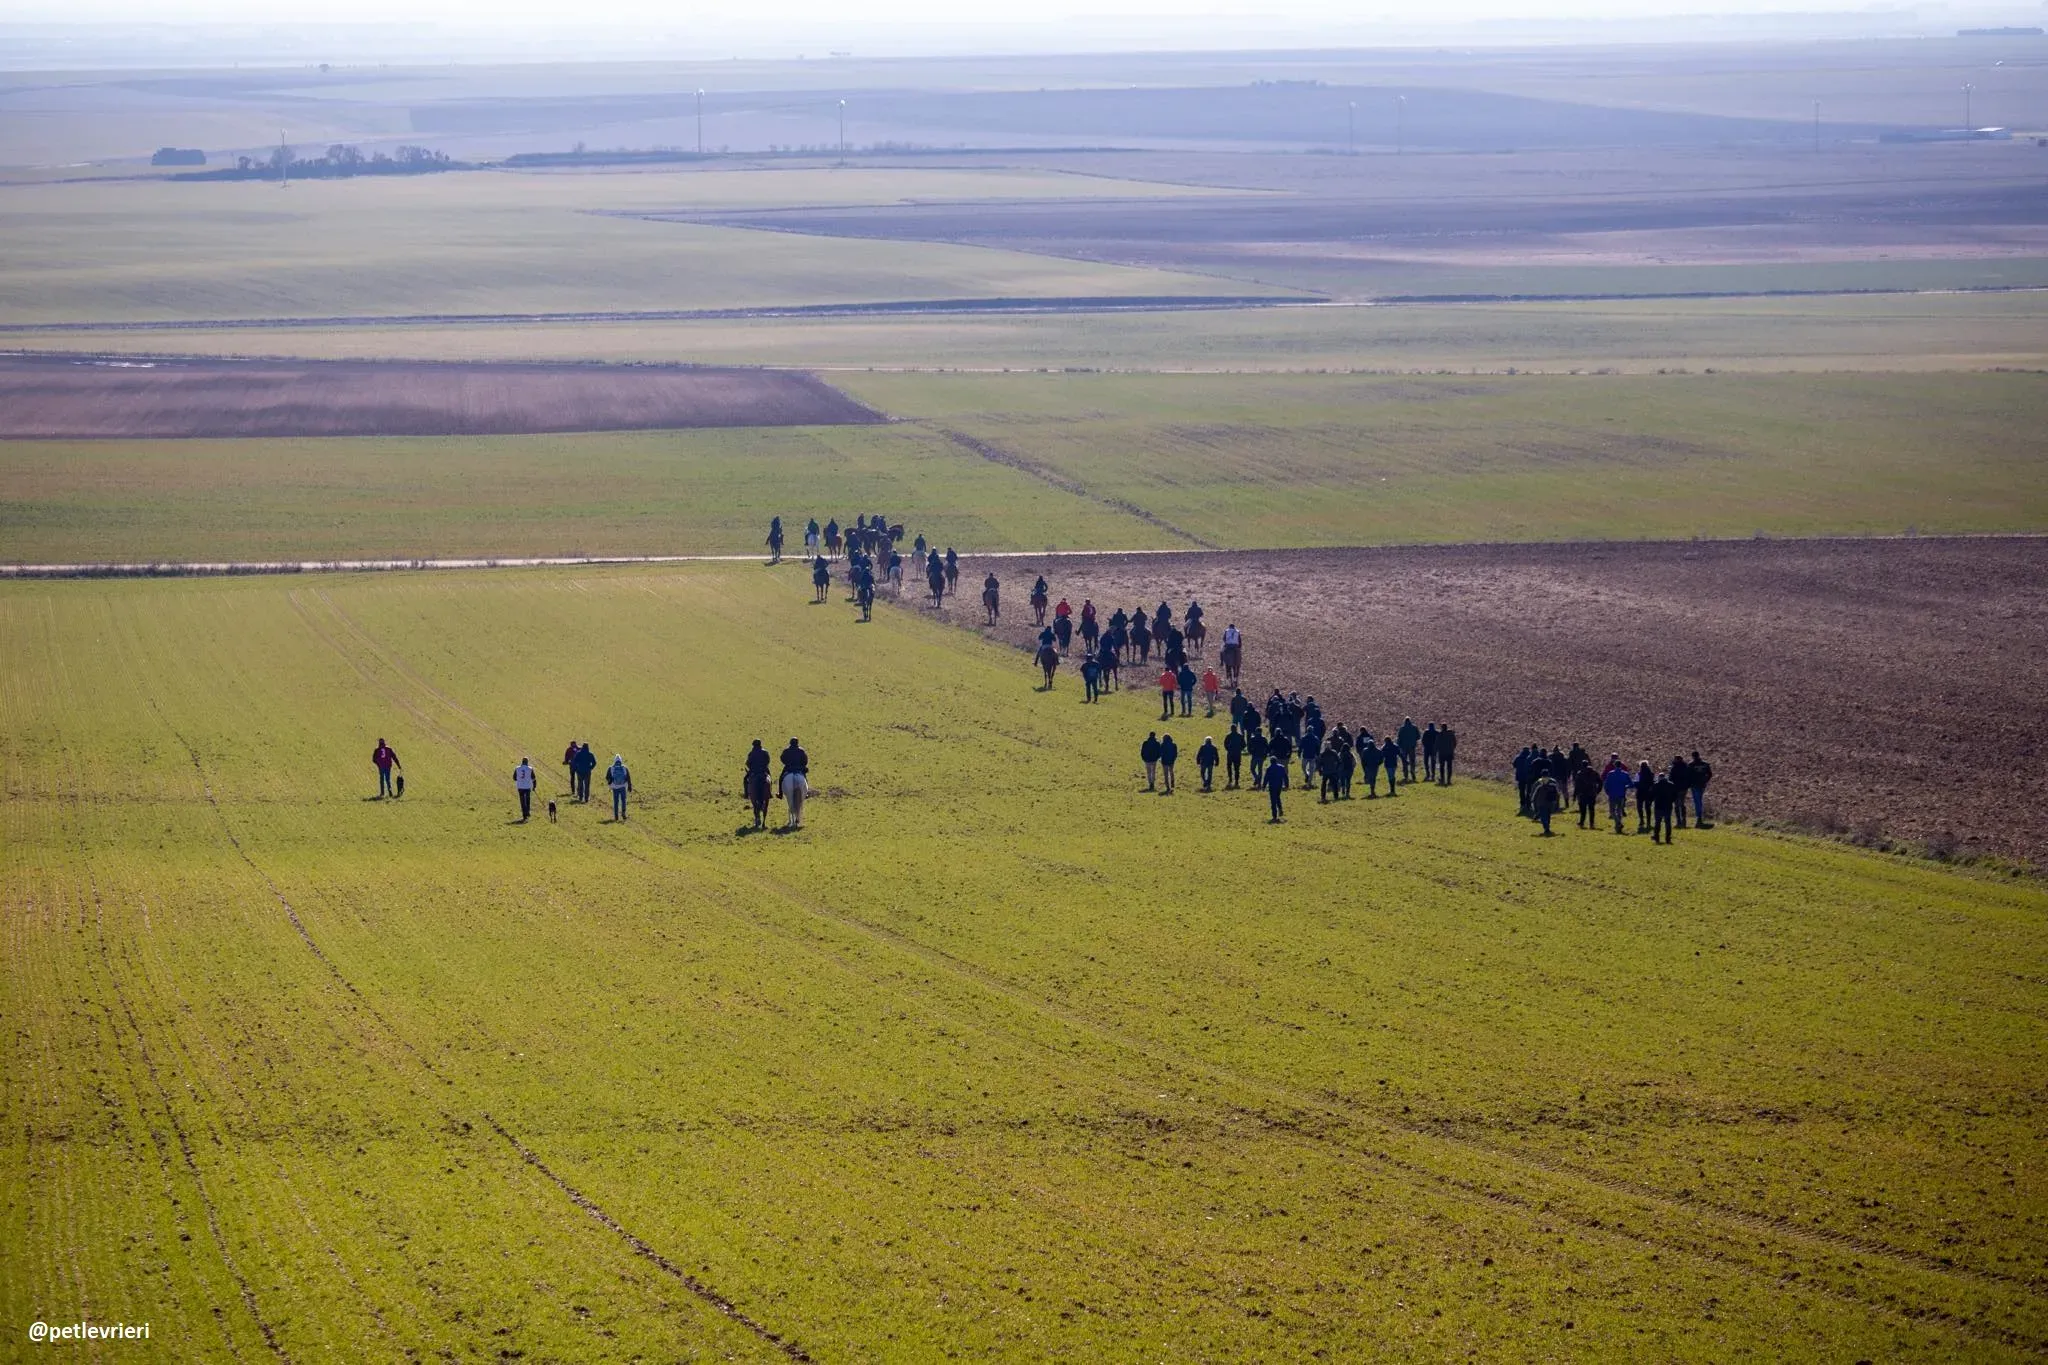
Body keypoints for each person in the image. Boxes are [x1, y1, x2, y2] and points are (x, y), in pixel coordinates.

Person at [744, 740, 772, 829]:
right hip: (763, 771)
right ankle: (770, 793)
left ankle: (746, 793)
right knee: (769, 780)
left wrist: (752, 768)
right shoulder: (765, 752)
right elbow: (768, 761)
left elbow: (748, 763)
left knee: (745, 779)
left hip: (754, 772)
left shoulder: (751, 753)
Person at [1603, 756, 1633, 834]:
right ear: (1621, 765)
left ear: (1615, 765)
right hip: (1621, 795)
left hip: (1612, 795)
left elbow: (1606, 784)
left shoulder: (1610, 774)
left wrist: (1607, 792)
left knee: (1612, 811)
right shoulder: (1625, 774)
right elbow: (1631, 784)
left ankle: (1618, 823)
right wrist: (1625, 787)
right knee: (1619, 811)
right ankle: (1618, 826)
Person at [1650, 768, 1678, 843]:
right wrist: (1671, 801)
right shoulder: (1671, 785)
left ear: (1659, 778)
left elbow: (1652, 795)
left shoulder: (1656, 785)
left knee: (1657, 822)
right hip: (1668, 806)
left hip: (1658, 806)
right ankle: (1668, 838)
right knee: (1667, 823)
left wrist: (1652, 801)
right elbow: (1675, 795)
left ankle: (1656, 837)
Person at [1688, 750, 1713, 827]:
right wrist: (1705, 780)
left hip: (1694, 785)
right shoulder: (1705, 764)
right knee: (1699, 800)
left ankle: (1699, 818)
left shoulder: (1691, 764)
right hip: (1702, 785)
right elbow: (1710, 774)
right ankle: (1699, 818)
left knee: (1697, 801)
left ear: (1692, 756)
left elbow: (1688, 775)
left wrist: (1690, 783)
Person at [1262, 753, 1289, 822]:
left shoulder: (1269, 769)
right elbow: (1285, 777)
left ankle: (1274, 816)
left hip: (1272, 786)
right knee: (1278, 797)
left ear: (1270, 762)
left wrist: (1263, 786)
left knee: (1273, 801)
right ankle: (1280, 809)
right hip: (1279, 786)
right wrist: (1286, 785)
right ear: (1276, 761)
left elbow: (1266, 778)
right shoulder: (1281, 767)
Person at [1669, 753, 1693, 829]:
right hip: (1683, 789)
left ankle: (1678, 821)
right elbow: (1689, 778)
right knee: (1682, 804)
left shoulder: (1674, 768)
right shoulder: (1686, 767)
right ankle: (1684, 821)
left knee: (1676, 805)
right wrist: (1687, 786)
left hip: (1675, 789)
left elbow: (1670, 778)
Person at [606, 753, 633, 821]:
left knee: (616, 802)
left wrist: (610, 782)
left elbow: (607, 777)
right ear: (621, 760)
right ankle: (623, 813)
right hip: (623, 787)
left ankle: (616, 816)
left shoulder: (611, 768)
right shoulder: (624, 768)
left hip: (615, 787)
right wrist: (629, 786)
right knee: (623, 800)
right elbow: (628, 777)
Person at [1574, 763, 1600, 828]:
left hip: (1582, 794)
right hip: (1592, 793)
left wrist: (1575, 795)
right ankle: (1591, 824)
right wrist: (1597, 791)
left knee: (1583, 810)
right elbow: (1600, 782)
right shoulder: (1594, 773)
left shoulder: (1580, 773)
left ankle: (1582, 823)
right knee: (1591, 809)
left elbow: (1577, 785)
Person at [513, 755, 537, 821]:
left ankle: (524, 815)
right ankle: (528, 812)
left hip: (520, 787)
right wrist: (534, 786)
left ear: (522, 762)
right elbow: (534, 779)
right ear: (527, 762)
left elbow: (514, 778)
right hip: (527, 787)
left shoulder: (517, 768)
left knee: (522, 801)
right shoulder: (530, 768)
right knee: (528, 800)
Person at [1635, 759, 1656, 833]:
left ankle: (1641, 820)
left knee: (1639, 807)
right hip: (1648, 793)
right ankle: (1648, 822)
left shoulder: (1638, 774)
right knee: (1648, 808)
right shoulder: (1652, 774)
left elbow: (1636, 783)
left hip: (1640, 793)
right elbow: (1654, 783)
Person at [1397, 717, 1420, 782]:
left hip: (1404, 747)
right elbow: (1418, 737)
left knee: (1405, 761)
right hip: (1412, 747)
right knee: (1412, 761)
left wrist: (1399, 746)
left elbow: (1399, 738)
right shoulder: (1414, 727)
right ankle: (1413, 775)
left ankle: (1406, 776)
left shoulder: (1402, 728)